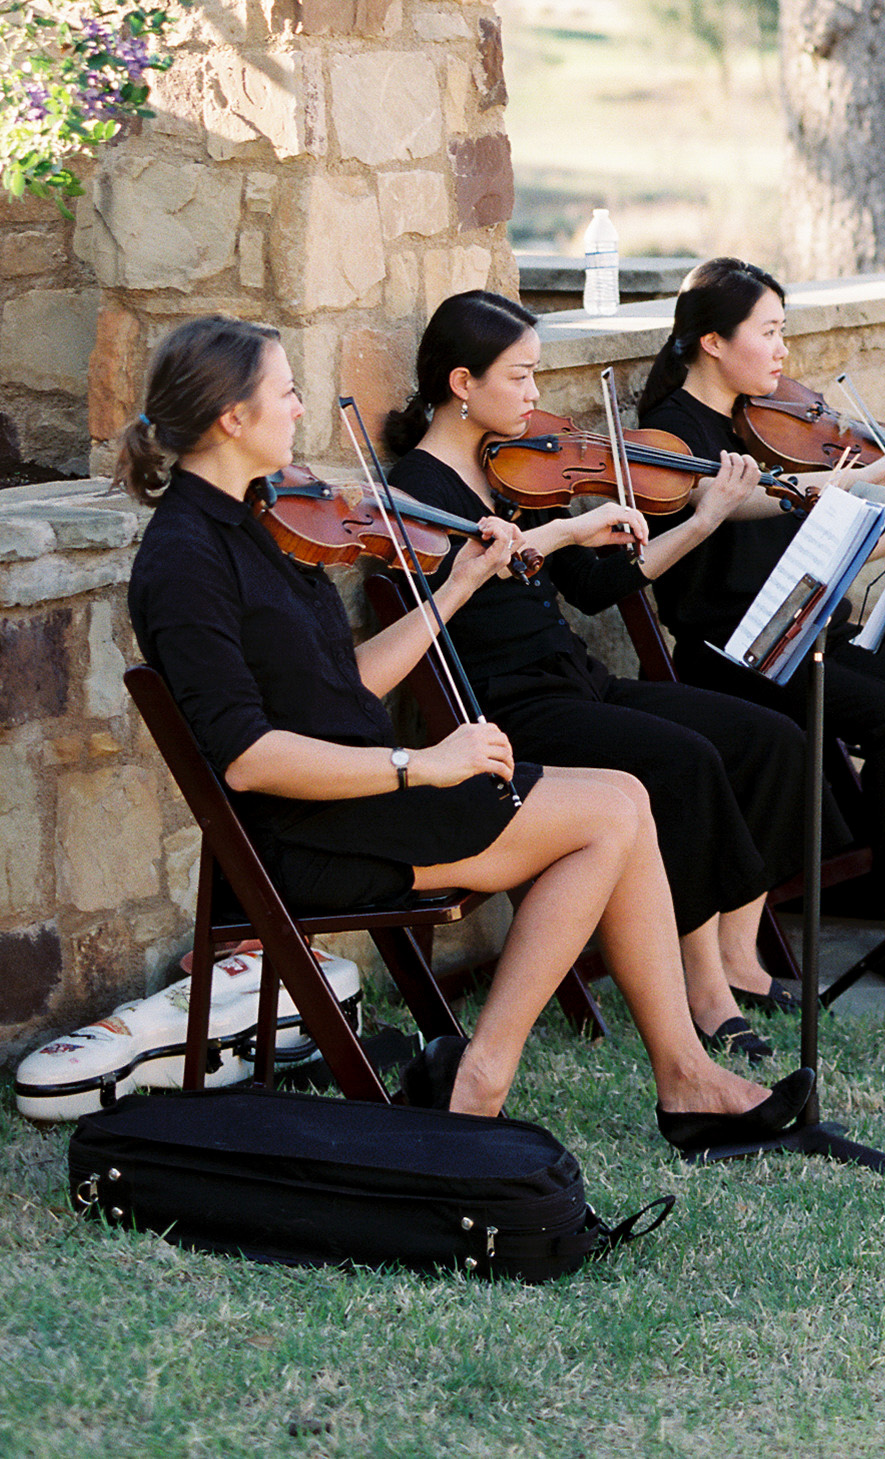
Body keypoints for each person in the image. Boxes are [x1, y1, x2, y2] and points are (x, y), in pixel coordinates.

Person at [119, 312, 810, 1152]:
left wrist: (455, 587)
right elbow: (250, 760)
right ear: (232, 417)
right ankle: (494, 1079)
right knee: (613, 811)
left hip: (359, 791)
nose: (300, 409)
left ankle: (678, 1076)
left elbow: (346, 682)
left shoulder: (259, 518)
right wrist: (424, 761)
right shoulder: (185, 556)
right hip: (313, 829)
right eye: (287, 392)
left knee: (623, 799)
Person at [382, 288, 817, 1058]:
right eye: (518, 377)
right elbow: (466, 570)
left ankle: (735, 958)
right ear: (461, 383)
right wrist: (560, 529)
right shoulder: (416, 491)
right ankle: (705, 992)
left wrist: (703, 518)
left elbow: (596, 585)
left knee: (764, 735)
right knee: (682, 760)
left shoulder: (510, 474)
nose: (534, 394)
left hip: (575, 679)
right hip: (512, 707)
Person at [634, 256, 885, 992]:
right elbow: (745, 501)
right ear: (711, 340)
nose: (781, 351)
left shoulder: (758, 425)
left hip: (803, 631)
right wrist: (853, 478)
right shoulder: (671, 436)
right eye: (767, 332)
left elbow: (818, 545)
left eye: (782, 332)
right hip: (734, 650)